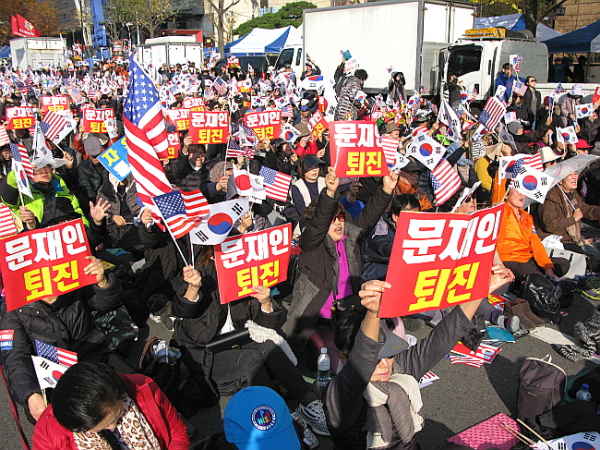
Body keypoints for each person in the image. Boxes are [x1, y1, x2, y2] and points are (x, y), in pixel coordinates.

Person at [324, 271, 510, 450]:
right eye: (377, 359)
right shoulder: (340, 394)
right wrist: (373, 314)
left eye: (389, 355)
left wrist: (478, 291)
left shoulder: (399, 369)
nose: (385, 364)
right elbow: (364, 358)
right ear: (343, 357)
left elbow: (446, 334)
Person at [171, 262, 330, 436]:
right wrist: (193, 288)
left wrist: (266, 302)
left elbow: (263, 326)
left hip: (238, 343)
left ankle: (310, 403)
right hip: (206, 357)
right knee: (250, 358)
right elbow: (182, 310)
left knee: (269, 346)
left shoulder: (246, 275)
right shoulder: (201, 275)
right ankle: (281, 418)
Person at [282, 168, 397, 361]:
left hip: (349, 314)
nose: (337, 224)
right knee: (334, 361)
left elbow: (367, 218)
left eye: (340, 218)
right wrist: (330, 194)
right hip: (319, 321)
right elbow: (319, 223)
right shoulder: (312, 245)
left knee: (390, 337)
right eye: (332, 220)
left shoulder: (348, 239)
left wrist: (386, 189)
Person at [0, 257, 130, 423]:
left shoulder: (72, 280)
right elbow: (14, 354)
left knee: (133, 385)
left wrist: (102, 282)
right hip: (51, 370)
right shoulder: (12, 305)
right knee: (53, 417)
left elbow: (106, 304)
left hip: (91, 353)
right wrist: (30, 394)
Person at [32, 361, 190, 449]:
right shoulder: (47, 434)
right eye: (102, 427)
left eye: (119, 416)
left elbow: (177, 433)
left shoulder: (144, 388)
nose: (113, 427)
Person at [497, 188, 569, 282]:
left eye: (523, 192)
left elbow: (536, 243)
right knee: (537, 276)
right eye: (517, 192)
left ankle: (536, 279)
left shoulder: (527, 217)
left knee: (563, 263)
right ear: (507, 195)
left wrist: (547, 267)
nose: (521, 195)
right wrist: (498, 206)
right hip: (509, 259)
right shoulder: (501, 211)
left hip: (527, 257)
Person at [535, 171, 600, 261]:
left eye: (575, 174)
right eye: (570, 174)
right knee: (590, 262)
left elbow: (583, 209)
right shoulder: (550, 197)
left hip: (572, 239)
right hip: (558, 240)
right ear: (560, 181)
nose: (575, 177)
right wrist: (573, 219)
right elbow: (550, 225)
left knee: (595, 256)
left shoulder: (573, 194)